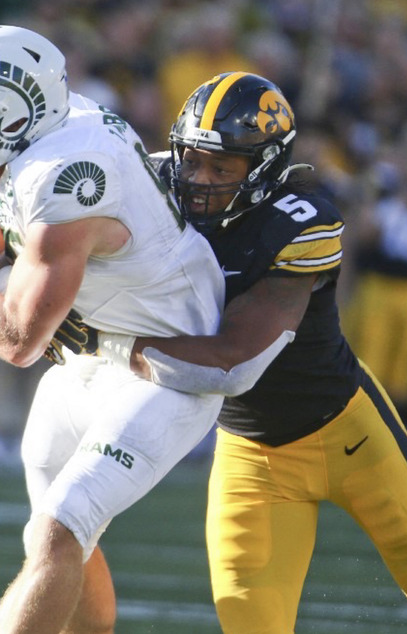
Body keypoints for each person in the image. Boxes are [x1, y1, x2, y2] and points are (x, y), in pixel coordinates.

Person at [63, 71, 407, 634]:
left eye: (222, 167)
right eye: (192, 159)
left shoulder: (299, 221)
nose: (198, 179)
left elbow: (234, 362)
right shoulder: (147, 184)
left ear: (264, 169)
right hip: (251, 456)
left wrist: (98, 340)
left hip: (349, 433)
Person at [0, 26, 225, 634]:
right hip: (87, 360)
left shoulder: (65, 176)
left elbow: (20, 342)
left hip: (158, 368)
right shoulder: (53, 123)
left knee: (59, 529)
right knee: (60, 532)